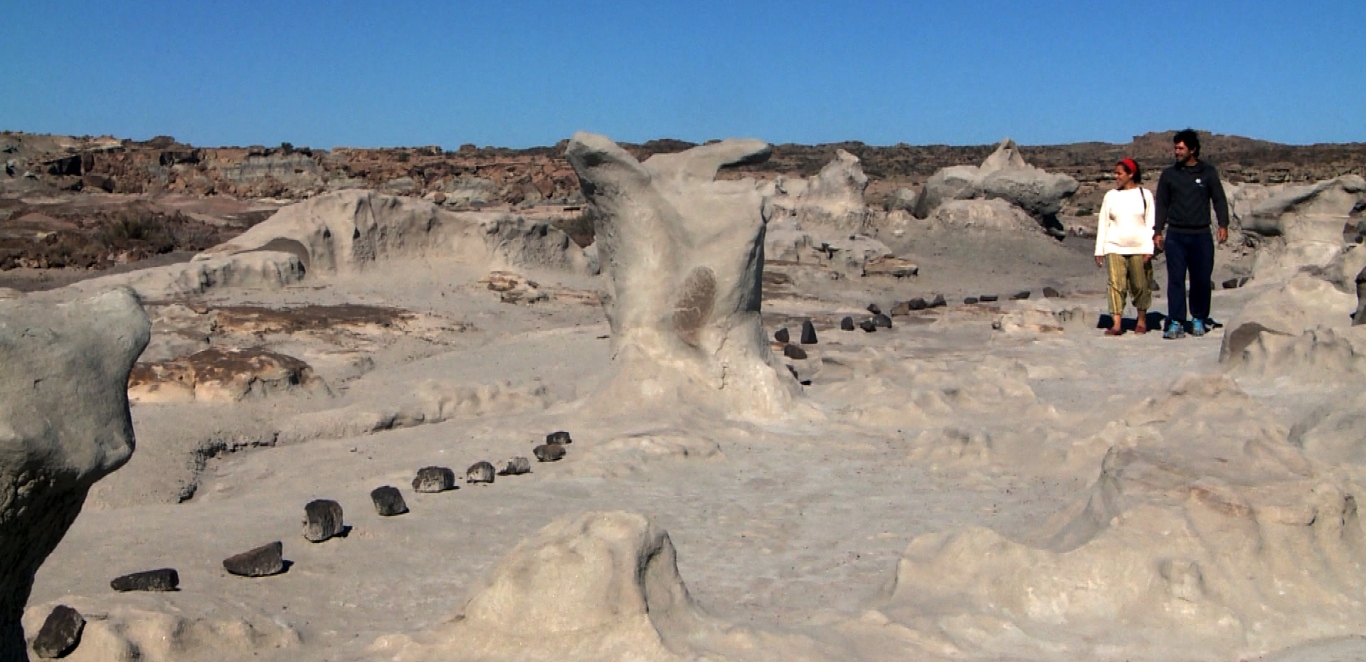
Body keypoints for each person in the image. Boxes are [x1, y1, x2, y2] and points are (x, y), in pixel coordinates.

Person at [1154, 129, 1229, 339]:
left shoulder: (1207, 172)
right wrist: (1157, 231)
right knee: (1176, 279)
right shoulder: (1169, 175)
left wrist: (1223, 224)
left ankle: (1198, 318)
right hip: (1176, 235)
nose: (1176, 152)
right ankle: (1176, 321)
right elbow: (1162, 204)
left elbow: (1219, 199)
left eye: (1180, 148)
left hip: (1201, 235)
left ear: (1192, 149)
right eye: (1175, 148)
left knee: (1201, 279)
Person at [1094, 158, 1155, 335]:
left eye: (1119, 173)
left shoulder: (1145, 195)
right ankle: (1116, 323)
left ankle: (1142, 320)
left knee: (1140, 284)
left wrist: (1148, 249)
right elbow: (1103, 222)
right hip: (1114, 246)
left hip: (1139, 247)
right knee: (1115, 284)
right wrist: (1099, 250)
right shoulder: (1111, 196)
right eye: (1115, 173)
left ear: (1131, 174)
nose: (1116, 177)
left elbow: (1150, 223)